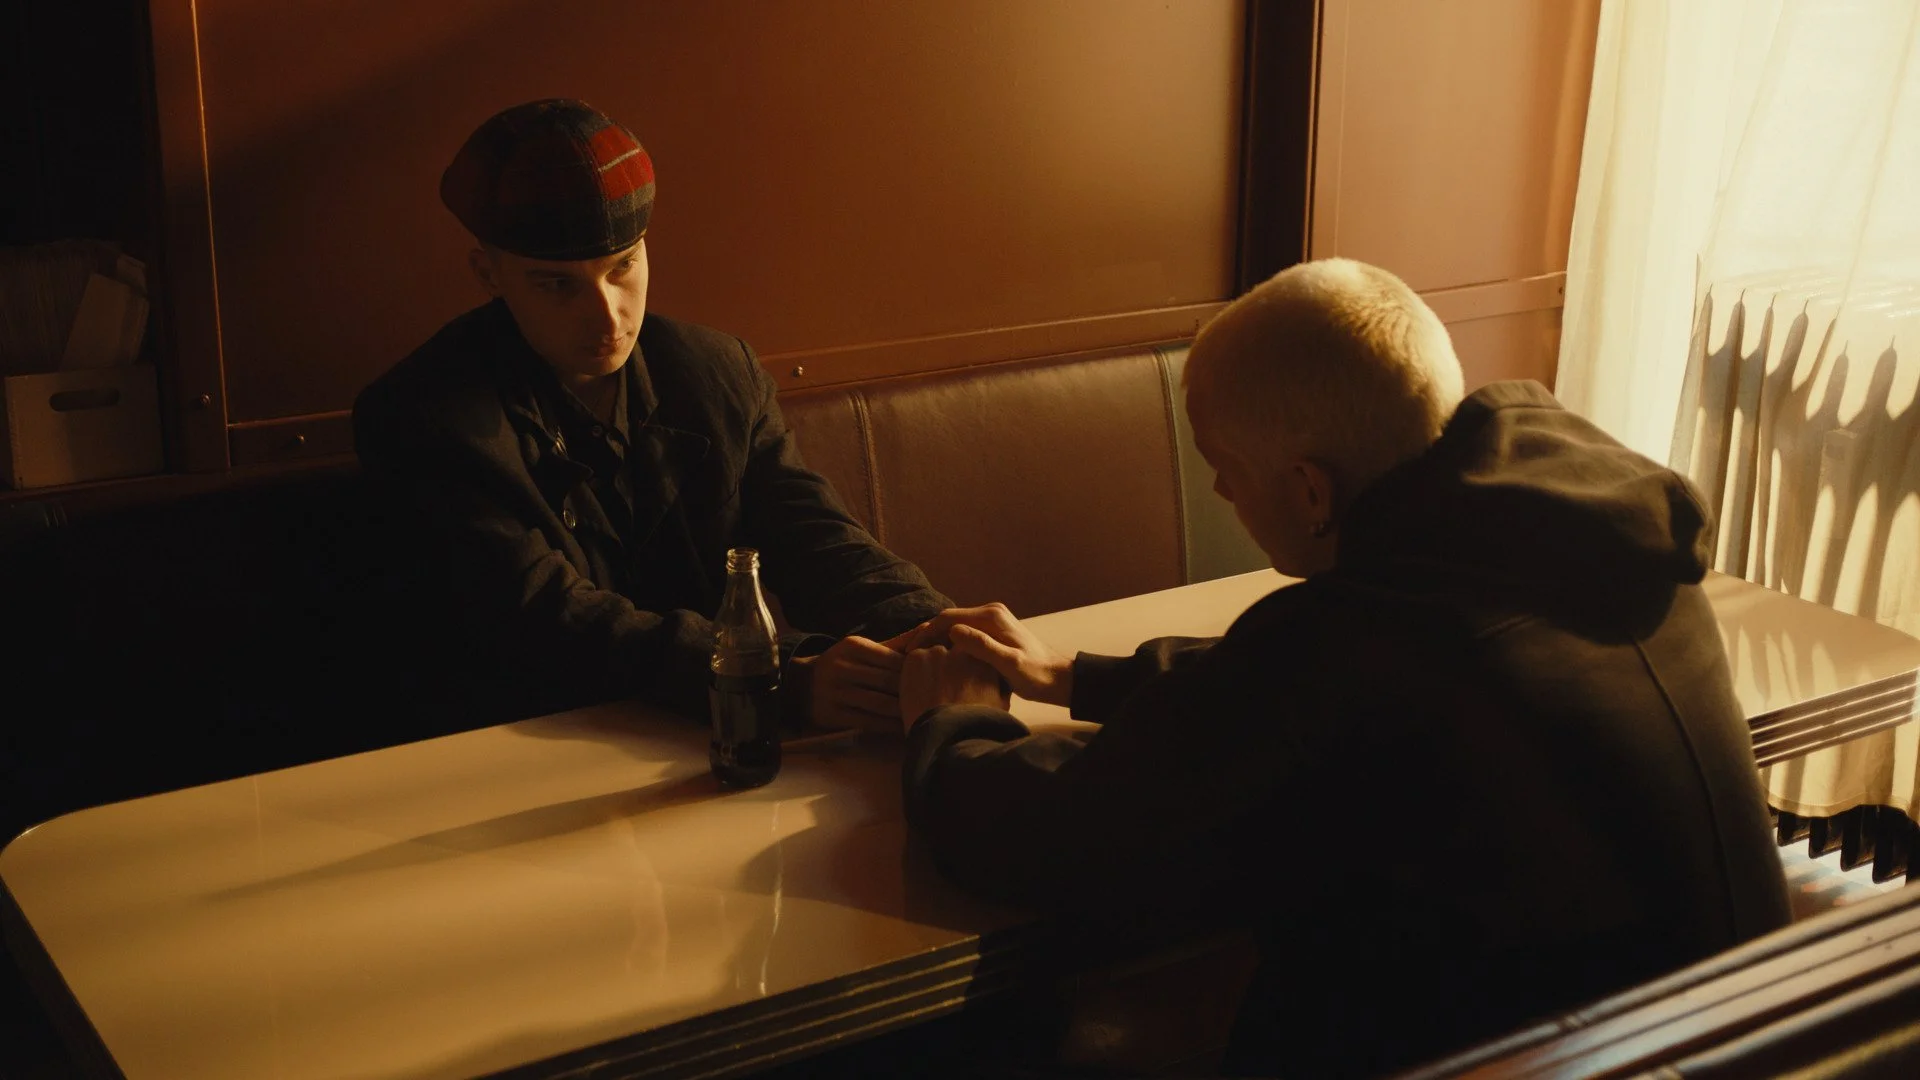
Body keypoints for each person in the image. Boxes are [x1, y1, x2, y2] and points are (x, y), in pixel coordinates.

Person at [896, 259, 1792, 1078]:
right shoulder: (1597, 533)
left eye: (1224, 469)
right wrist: (1079, 676)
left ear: (1310, 490)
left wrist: (952, 721)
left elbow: (1052, 837)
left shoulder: (1343, 647)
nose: (1222, 494)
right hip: (1729, 1044)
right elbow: (1309, 686)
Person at [354, 99, 950, 730]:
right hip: (518, 747)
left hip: (698, 732)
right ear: (488, 273)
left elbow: (812, 536)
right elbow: (545, 620)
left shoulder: (718, 370)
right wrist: (773, 679)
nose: (607, 316)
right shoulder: (422, 417)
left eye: (623, 267)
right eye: (556, 284)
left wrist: (932, 626)